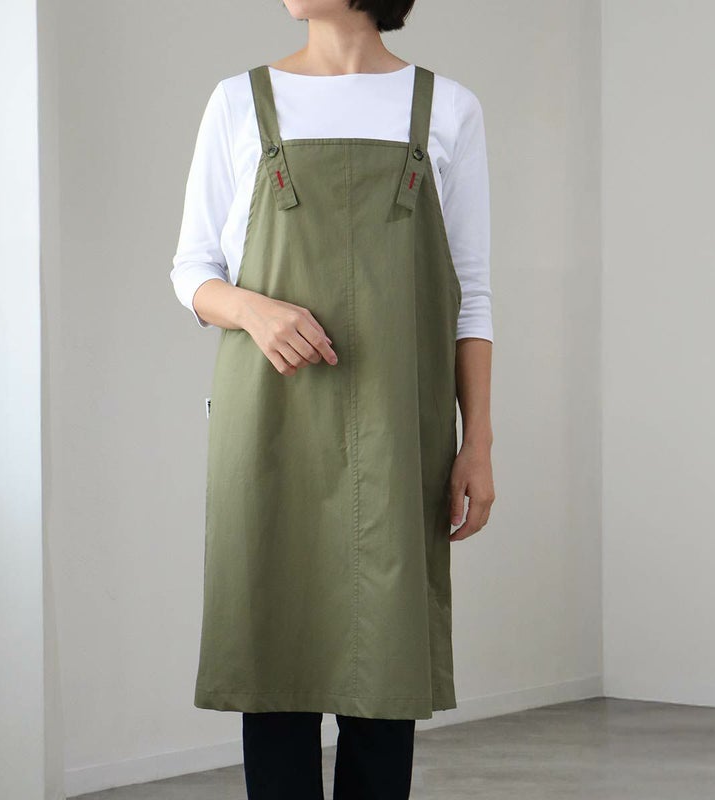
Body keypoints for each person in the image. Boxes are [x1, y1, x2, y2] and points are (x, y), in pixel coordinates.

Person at [170, 1, 495, 797]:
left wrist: (477, 441)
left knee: (384, 679)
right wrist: (254, 309)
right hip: (270, 423)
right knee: (273, 668)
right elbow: (192, 269)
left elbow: (472, 296)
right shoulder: (238, 101)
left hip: (397, 428)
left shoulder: (447, 108)